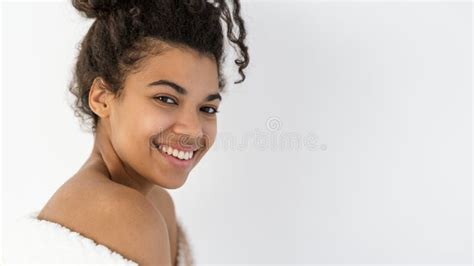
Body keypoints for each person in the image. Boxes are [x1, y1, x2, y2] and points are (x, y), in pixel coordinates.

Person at [4, 0, 249, 265]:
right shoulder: (126, 215)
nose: (193, 129)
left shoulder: (158, 202)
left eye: (208, 109)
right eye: (166, 99)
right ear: (102, 98)